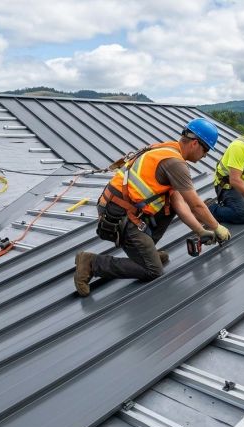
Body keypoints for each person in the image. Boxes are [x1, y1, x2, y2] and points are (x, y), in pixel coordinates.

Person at [73, 118, 231, 297]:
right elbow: (195, 205)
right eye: (206, 150)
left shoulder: (167, 149)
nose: (205, 156)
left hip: (123, 208)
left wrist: (201, 231)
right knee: (152, 270)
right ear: (195, 143)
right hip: (120, 214)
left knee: (170, 205)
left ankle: (147, 252)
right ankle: (91, 263)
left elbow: (178, 204)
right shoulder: (175, 163)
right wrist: (216, 227)